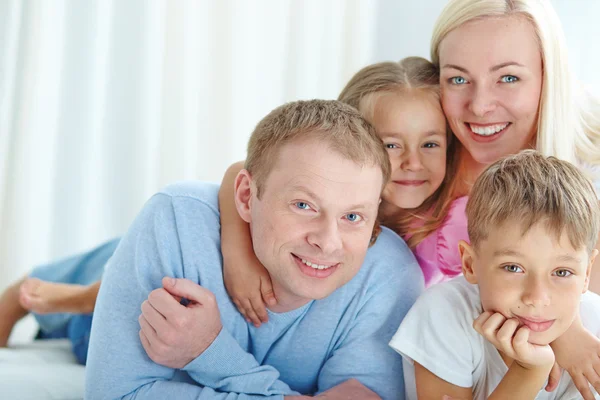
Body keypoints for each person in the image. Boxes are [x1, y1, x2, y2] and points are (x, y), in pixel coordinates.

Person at [222, 1, 600, 397]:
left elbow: (552, 281)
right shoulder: (443, 145)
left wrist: (569, 331)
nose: (480, 105)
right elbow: (253, 172)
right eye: (457, 79)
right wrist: (239, 252)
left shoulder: (564, 188)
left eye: (508, 77)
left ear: (549, 74)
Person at [83, 99, 423, 399]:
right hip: (90, 313)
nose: (328, 241)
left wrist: (211, 353)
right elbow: (117, 393)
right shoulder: (174, 220)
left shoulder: (390, 274)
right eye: (303, 205)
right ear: (246, 196)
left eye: (352, 216)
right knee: (72, 298)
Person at [390, 150, 600, 400]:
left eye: (562, 272)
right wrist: (528, 372)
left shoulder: (592, 336)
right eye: (513, 268)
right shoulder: (444, 314)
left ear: (586, 272)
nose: (537, 297)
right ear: (470, 264)